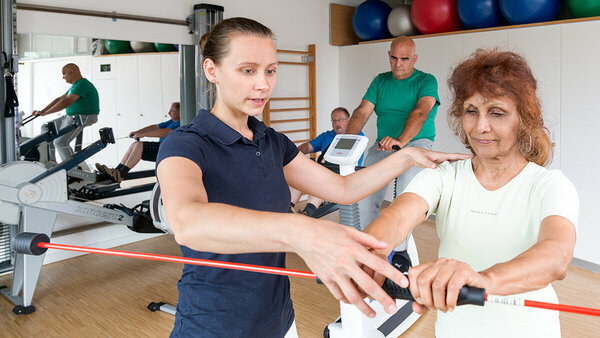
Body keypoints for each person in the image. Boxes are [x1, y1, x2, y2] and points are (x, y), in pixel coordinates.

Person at [155, 17, 470, 338]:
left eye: (271, 70)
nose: (263, 84)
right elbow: (187, 223)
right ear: (212, 71)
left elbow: (343, 188)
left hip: (279, 318)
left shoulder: (271, 141)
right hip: (213, 324)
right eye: (247, 70)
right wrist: (300, 228)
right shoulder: (186, 143)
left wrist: (408, 156)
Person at [363, 50, 578, 337]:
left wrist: (480, 279)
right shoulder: (445, 176)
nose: (480, 127)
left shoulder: (550, 185)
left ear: (524, 119)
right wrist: (374, 248)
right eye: (471, 111)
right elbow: (400, 215)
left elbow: (556, 256)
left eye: (497, 113)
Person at [346, 36, 440, 252]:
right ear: (389, 56)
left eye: (405, 59)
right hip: (384, 146)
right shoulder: (380, 80)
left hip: (417, 144)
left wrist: (401, 142)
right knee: (364, 192)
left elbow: (421, 112)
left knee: (405, 197)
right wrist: (349, 140)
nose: (398, 64)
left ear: (414, 59)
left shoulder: (426, 80)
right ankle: (370, 246)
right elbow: (362, 111)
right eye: (394, 58)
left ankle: (399, 254)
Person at [288, 107, 365, 216]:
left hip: (343, 177)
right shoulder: (327, 136)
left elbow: (346, 157)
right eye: (334, 120)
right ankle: (287, 209)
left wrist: (325, 158)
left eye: (341, 120)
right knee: (299, 177)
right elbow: (307, 147)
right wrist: (294, 154)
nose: (337, 123)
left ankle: (307, 213)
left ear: (349, 119)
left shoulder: (356, 136)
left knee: (321, 180)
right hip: (323, 173)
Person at [96, 102, 180, 182]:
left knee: (139, 145)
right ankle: (116, 171)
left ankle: (121, 174)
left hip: (167, 151)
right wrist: (137, 132)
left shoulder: (180, 123)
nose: (169, 112)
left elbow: (166, 132)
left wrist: (143, 134)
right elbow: (155, 127)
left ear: (179, 112)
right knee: (135, 144)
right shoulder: (172, 121)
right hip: (162, 147)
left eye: (172, 111)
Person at [32, 63, 99, 162]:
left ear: (71, 72)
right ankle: (51, 161)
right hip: (71, 116)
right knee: (45, 128)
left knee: (60, 142)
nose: (63, 77)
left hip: (84, 116)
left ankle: (73, 168)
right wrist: (42, 111)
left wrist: (45, 113)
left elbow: (65, 102)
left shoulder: (82, 84)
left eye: (64, 73)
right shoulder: (76, 85)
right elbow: (60, 99)